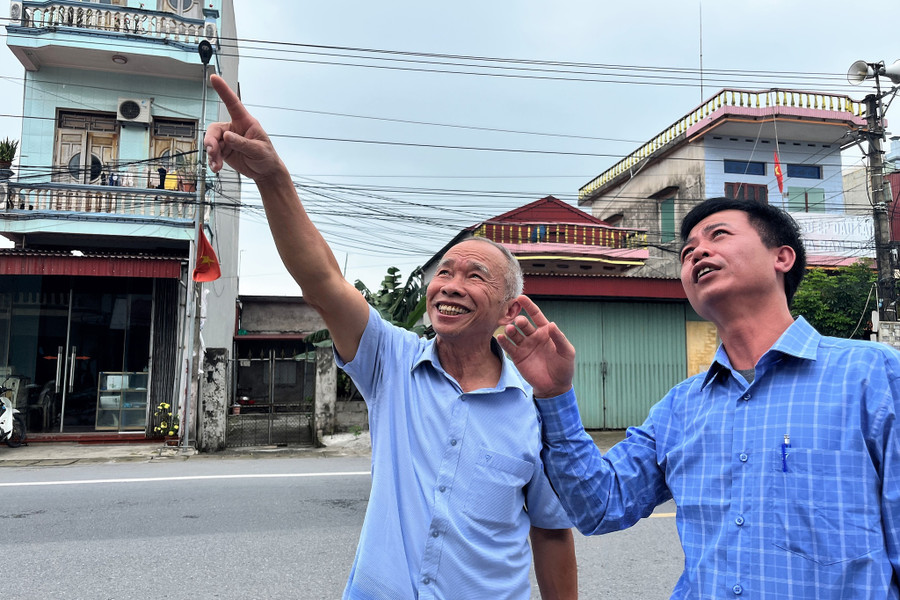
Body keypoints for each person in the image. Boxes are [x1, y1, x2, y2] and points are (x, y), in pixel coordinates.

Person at [203, 74, 577, 600]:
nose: (449, 286)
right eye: (444, 272)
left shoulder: (533, 405)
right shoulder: (392, 360)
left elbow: (552, 530)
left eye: (475, 276)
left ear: (509, 309)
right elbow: (323, 281)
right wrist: (274, 179)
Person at [499, 197, 900, 599]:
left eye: (718, 235)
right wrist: (555, 395)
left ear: (782, 257)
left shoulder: (873, 376)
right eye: (687, 251)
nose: (697, 253)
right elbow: (599, 506)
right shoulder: (680, 408)